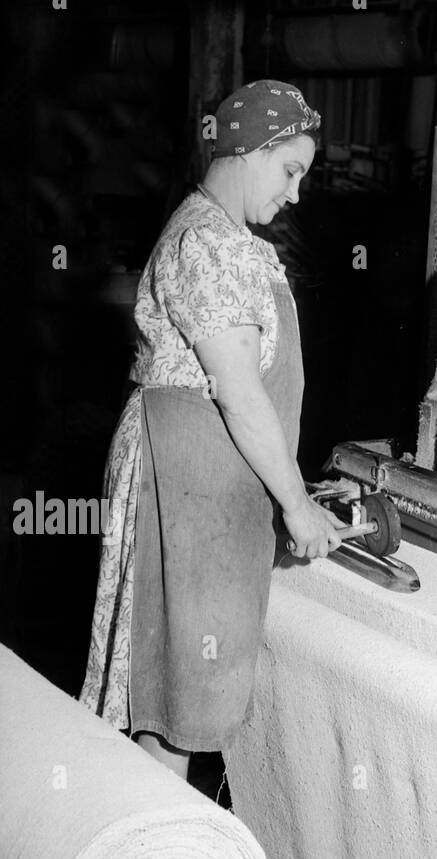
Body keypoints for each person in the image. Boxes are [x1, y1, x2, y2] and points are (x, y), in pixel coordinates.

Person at [80, 79, 353, 778]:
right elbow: (236, 393)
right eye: (290, 171)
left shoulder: (231, 242)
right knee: (176, 705)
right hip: (186, 485)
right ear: (248, 150)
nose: (295, 195)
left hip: (214, 489)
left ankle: (170, 858)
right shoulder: (206, 243)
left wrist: (288, 493)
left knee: (187, 698)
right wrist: (295, 506)